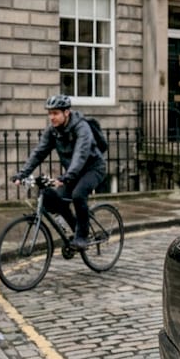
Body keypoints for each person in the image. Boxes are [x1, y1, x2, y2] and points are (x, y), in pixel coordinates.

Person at [13, 95, 106, 249]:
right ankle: (78, 227)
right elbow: (39, 153)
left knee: (78, 195)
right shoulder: (53, 131)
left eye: (55, 113)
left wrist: (67, 177)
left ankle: (82, 237)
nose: (52, 117)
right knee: (57, 199)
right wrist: (22, 173)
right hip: (73, 172)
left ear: (66, 112)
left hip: (93, 168)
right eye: (50, 113)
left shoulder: (82, 128)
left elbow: (80, 154)